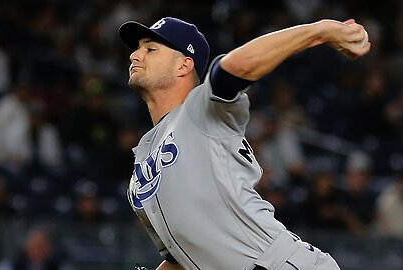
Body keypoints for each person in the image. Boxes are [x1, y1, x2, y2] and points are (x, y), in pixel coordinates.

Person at [119, 16, 370, 270]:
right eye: (137, 49)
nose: (135, 55)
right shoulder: (141, 166)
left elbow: (236, 67)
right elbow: (180, 259)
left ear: (184, 66)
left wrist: (320, 30)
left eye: (150, 49)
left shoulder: (202, 109)